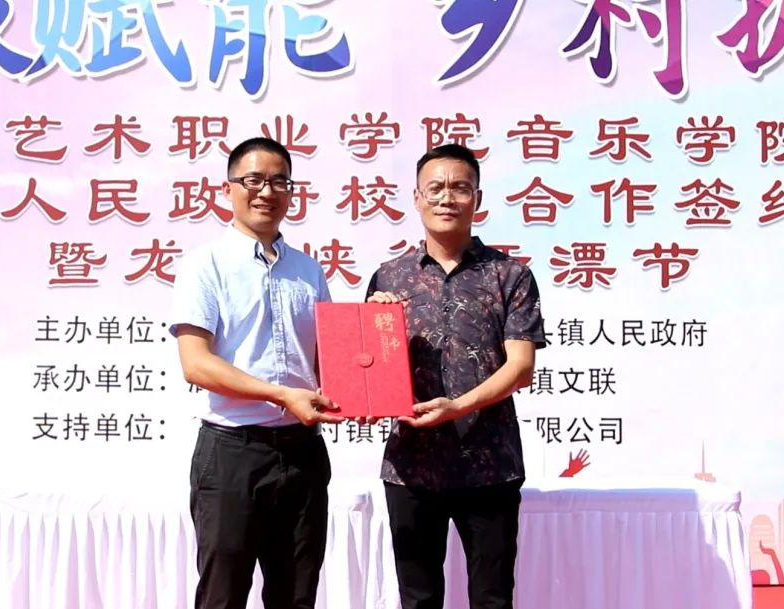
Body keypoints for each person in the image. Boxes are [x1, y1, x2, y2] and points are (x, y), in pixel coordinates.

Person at [365, 143, 546, 609]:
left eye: (460, 188)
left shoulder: (510, 275)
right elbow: (370, 369)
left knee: (492, 599)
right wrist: (374, 323)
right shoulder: (388, 278)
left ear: (477, 198)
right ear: (417, 198)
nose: (447, 198)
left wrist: (457, 407)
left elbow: (521, 366)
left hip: (489, 463)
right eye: (436, 188)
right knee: (418, 599)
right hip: (411, 466)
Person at [169, 136, 344, 609]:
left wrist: (378, 328)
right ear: (227, 189)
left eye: (280, 182)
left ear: (292, 192)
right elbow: (196, 363)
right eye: (254, 180)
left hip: (303, 454)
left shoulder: (309, 271)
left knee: (296, 597)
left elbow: (330, 359)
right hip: (232, 453)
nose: (267, 192)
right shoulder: (205, 265)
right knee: (222, 596)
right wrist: (281, 394)